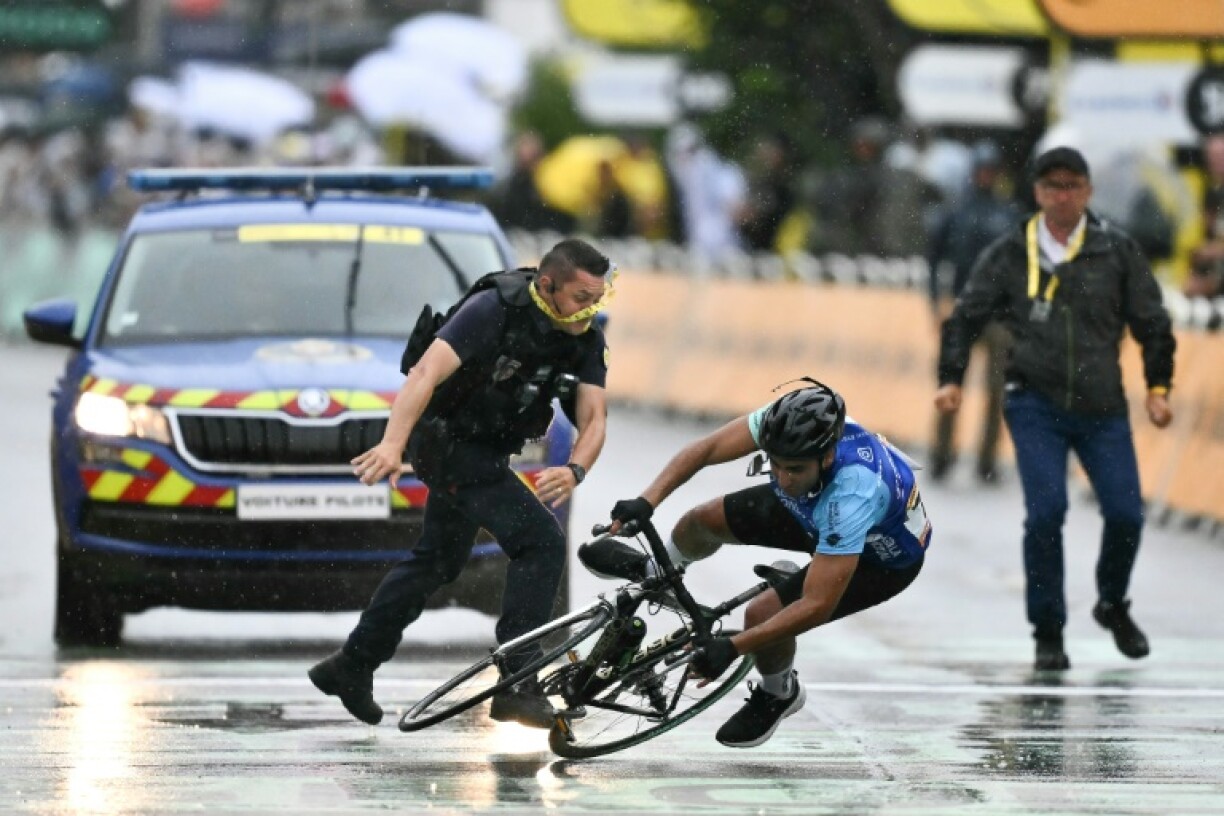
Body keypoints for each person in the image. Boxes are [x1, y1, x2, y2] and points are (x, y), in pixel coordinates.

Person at [310, 238, 614, 728]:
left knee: (437, 560)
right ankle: (518, 682)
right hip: (448, 446)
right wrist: (392, 445)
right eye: (582, 298)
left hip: (488, 451)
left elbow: (595, 415)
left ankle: (351, 665)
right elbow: (425, 374)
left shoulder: (583, 335)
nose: (591, 308)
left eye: (599, 298)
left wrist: (576, 467)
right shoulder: (494, 308)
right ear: (547, 285)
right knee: (540, 544)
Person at [579, 380, 931, 748]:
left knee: (762, 615)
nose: (781, 477)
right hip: (813, 508)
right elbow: (706, 449)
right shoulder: (785, 428)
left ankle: (779, 693)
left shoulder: (854, 493)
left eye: (793, 468)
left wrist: (734, 648)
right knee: (701, 520)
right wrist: (646, 501)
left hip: (879, 559)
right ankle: (657, 576)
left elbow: (816, 605)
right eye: (775, 464)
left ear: (826, 456)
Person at [934, 146, 1176, 672]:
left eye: (1072, 186)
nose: (1062, 196)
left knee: (1126, 515)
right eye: (1051, 186)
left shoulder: (1115, 250)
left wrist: (1159, 386)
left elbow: (1152, 319)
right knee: (1046, 514)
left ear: (1087, 191)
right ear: (1037, 192)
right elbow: (966, 315)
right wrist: (951, 379)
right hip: (1034, 402)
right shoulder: (1009, 252)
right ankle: (1048, 630)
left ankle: (1113, 603)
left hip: (1102, 407)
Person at [925, 140, 1020, 482]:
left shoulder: (1008, 214)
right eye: (981, 170)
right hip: (965, 310)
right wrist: (936, 302)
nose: (985, 177)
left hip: (997, 315)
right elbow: (934, 260)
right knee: (950, 386)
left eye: (990, 171)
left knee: (997, 391)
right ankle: (941, 453)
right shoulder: (955, 212)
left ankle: (987, 460)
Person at [1186, 132, 1224, 298]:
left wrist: (1213, 251)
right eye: (1212, 157)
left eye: (1220, 156)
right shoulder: (1210, 191)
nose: (1216, 162)